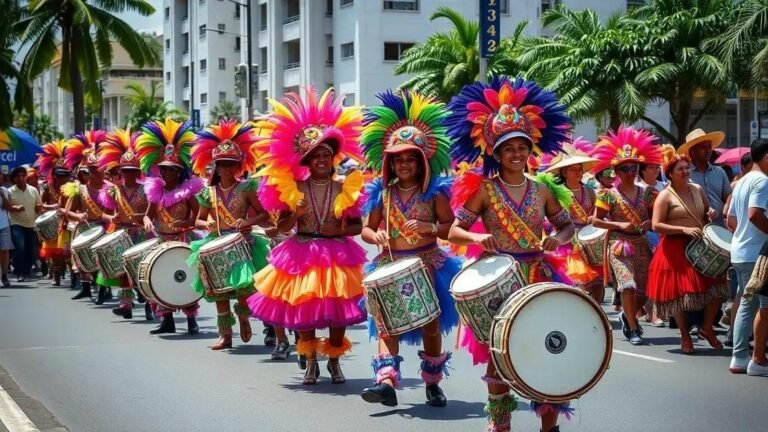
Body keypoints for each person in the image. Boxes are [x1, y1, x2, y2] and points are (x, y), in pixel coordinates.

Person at [446, 77, 575, 432]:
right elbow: (455, 230)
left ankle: (549, 426)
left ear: (530, 150)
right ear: (496, 154)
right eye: (508, 149)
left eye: (522, 147)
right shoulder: (484, 190)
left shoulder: (543, 189)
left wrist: (557, 239)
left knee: (549, 348)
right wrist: (479, 235)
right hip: (499, 281)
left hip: (538, 275)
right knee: (497, 355)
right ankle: (499, 424)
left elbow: (567, 226)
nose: (516, 154)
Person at [247, 87, 367, 385]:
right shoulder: (293, 189)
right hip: (301, 251)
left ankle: (335, 362)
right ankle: (311, 362)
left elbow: (356, 226)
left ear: (333, 158)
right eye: (315, 156)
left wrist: (337, 230)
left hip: (338, 252)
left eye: (326, 154)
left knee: (340, 313)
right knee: (304, 312)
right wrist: (297, 215)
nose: (322, 160)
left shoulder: (345, 187)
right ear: (307, 161)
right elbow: (284, 227)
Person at [358, 90, 459, 407]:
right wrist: (376, 237)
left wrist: (430, 228)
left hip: (428, 265)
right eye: (398, 158)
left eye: (410, 158)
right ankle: (386, 382)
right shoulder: (381, 193)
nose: (404, 164)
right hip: (389, 265)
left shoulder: (435, 193)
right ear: (390, 161)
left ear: (421, 161)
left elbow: (453, 228)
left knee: (430, 326)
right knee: (388, 325)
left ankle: (432, 384)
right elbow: (366, 229)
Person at [189, 119, 272, 350]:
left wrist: (248, 221)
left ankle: (244, 318)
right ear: (215, 166)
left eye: (231, 164)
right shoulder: (208, 193)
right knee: (218, 290)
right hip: (216, 240)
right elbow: (198, 219)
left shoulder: (247, 188)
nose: (227, 168)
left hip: (242, 242)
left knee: (243, 286)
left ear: (239, 166)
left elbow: (264, 216)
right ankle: (225, 334)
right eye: (223, 164)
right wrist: (206, 225)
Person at [646, 145, 728, 354]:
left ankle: (707, 327)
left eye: (687, 168)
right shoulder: (664, 195)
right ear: (670, 173)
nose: (685, 171)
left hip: (699, 245)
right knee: (681, 295)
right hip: (674, 249)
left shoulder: (697, 189)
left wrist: (710, 214)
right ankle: (684, 335)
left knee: (718, 287)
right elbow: (656, 225)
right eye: (680, 169)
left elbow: (705, 213)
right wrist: (682, 228)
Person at [591, 126, 662, 346]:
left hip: (641, 243)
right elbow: (595, 220)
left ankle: (628, 315)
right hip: (618, 244)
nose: (631, 171)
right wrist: (618, 223)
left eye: (634, 167)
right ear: (617, 172)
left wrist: (651, 222)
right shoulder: (607, 195)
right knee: (627, 284)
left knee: (648, 289)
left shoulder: (648, 193)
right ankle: (633, 328)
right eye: (626, 168)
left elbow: (655, 217)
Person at [137, 118, 203, 335]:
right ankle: (166, 321)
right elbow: (148, 215)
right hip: (161, 239)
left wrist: (186, 223)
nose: (166, 173)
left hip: (183, 239)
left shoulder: (188, 192)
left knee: (186, 278)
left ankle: (191, 320)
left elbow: (200, 217)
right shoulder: (155, 192)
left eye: (170, 170)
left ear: (179, 171)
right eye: (163, 170)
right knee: (160, 277)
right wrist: (147, 222)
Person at [542, 138, 603, 302]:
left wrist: (593, 217)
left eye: (579, 169)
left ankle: (596, 312)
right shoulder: (557, 193)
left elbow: (597, 212)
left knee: (598, 284)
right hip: (567, 243)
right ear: (564, 172)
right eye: (573, 169)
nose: (578, 172)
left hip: (588, 241)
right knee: (577, 284)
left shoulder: (590, 191)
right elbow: (549, 217)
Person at [97, 128, 150, 320]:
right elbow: (107, 213)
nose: (128, 174)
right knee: (121, 269)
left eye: (132, 171)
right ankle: (126, 304)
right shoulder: (113, 191)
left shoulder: (146, 190)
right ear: (120, 171)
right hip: (120, 233)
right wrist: (111, 219)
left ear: (137, 172)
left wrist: (142, 217)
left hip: (141, 233)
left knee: (141, 269)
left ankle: (147, 300)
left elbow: (152, 213)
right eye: (125, 171)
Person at [727, 138, 768, 375]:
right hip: (756, 254)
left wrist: (743, 235)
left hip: (741, 251)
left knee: (746, 303)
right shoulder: (762, 181)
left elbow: (731, 219)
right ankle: (749, 357)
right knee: (759, 305)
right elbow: (754, 215)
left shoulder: (741, 182)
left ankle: (740, 357)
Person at [62, 130, 112, 302]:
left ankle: (102, 290)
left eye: (98, 169)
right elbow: (66, 211)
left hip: (105, 227)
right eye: (91, 169)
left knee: (102, 259)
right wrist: (79, 216)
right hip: (85, 227)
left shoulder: (111, 188)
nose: (95, 172)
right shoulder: (79, 189)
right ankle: (85, 288)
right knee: (81, 257)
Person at [678, 129, 732, 227]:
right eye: (703, 147)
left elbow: (728, 195)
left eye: (709, 147)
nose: (708, 150)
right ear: (692, 151)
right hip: (695, 229)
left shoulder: (720, 172)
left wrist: (727, 206)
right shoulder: (684, 174)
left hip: (720, 227)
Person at [37, 140, 73, 286]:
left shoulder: (72, 187)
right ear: (55, 175)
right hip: (53, 223)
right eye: (60, 175)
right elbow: (40, 205)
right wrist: (54, 208)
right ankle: (56, 277)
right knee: (55, 254)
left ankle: (74, 278)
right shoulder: (48, 188)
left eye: (65, 175)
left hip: (67, 222)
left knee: (67, 252)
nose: (62, 178)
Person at [8, 166, 42, 282]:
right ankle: (19, 272)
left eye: (23, 175)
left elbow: (39, 206)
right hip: (16, 223)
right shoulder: (9, 192)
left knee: (30, 249)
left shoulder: (33, 190)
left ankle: (26, 271)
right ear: (14, 179)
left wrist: (39, 208)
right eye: (18, 176)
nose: (21, 178)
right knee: (20, 247)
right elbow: (6, 207)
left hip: (30, 224)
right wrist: (15, 207)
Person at [0, 184, 13, 287]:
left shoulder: (4, 190)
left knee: (4, 250)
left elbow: (9, 207)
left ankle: (4, 274)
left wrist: (2, 196)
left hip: (3, 224)